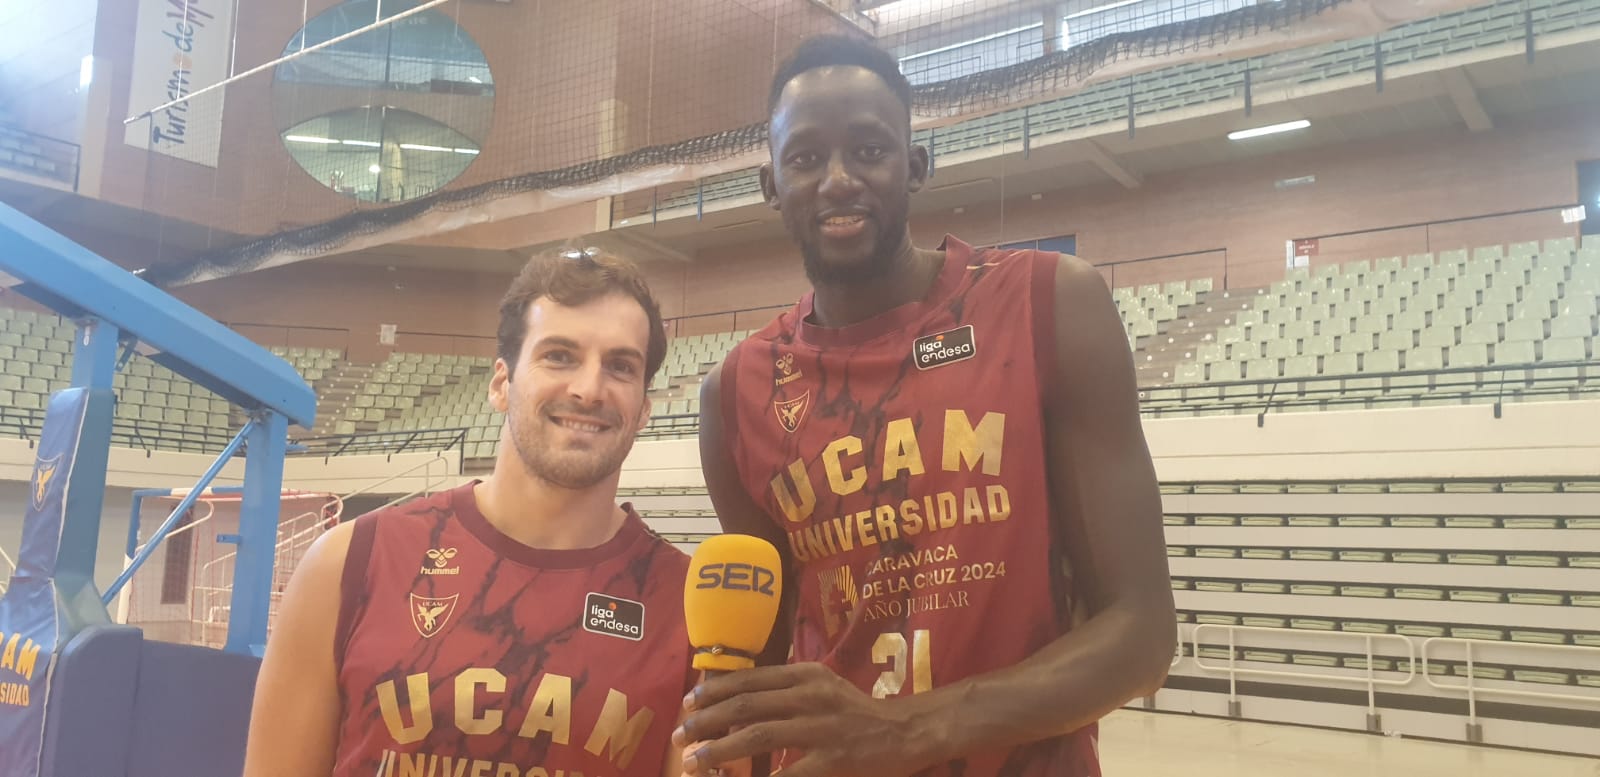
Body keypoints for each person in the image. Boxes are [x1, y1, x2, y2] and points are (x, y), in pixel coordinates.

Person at [681, 35, 1176, 777]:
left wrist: (903, 728)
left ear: (915, 167)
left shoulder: (1050, 303)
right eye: (807, 158)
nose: (839, 179)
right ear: (771, 184)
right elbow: (770, 657)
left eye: (870, 151)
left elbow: (1142, 636)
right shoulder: (735, 391)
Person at [244, 248, 697, 777]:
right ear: (502, 384)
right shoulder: (349, 564)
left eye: (620, 366)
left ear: (643, 407)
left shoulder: (688, 607)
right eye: (559, 355)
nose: (588, 388)